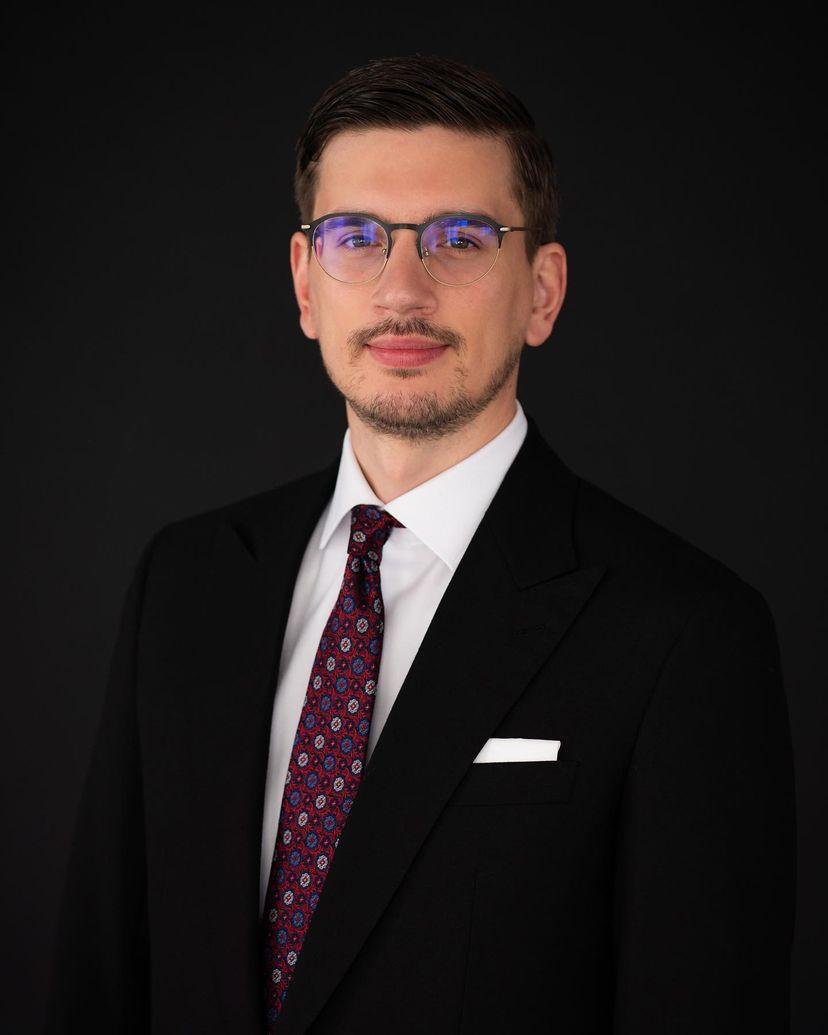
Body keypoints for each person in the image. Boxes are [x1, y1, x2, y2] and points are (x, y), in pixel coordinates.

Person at [45, 54, 796, 1034]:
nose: (404, 287)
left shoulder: (685, 634)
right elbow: (101, 983)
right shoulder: (185, 583)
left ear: (542, 290)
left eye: (459, 238)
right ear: (307, 284)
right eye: (357, 237)